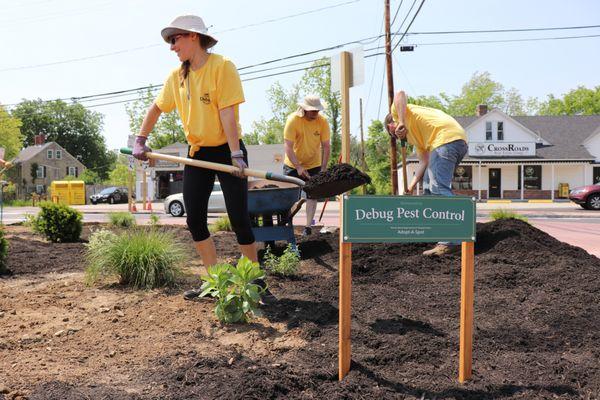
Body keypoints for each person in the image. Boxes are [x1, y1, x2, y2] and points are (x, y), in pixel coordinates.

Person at [132, 15, 260, 299]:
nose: (171, 47)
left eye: (174, 39)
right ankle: (216, 282)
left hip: (228, 149)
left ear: (193, 36)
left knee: (239, 218)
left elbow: (227, 113)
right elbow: (155, 108)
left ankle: (254, 278)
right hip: (197, 153)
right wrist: (141, 139)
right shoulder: (176, 77)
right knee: (195, 221)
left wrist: (236, 155)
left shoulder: (222, 67)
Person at [385, 90, 468, 256]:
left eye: (395, 134)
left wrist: (401, 121)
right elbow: (424, 162)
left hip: (445, 140)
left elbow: (400, 94)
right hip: (457, 142)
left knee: (439, 189)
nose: (400, 137)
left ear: (391, 126)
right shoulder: (418, 138)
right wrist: (409, 187)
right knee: (429, 188)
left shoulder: (398, 114)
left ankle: (452, 240)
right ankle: (440, 233)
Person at [283, 95, 331, 236]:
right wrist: (298, 166)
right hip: (292, 165)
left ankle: (308, 226)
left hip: (314, 165)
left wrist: (323, 169)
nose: (316, 113)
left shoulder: (322, 122)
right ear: (304, 108)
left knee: (313, 195)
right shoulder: (293, 120)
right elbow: (288, 146)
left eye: (317, 110)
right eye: (313, 110)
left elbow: (326, 146)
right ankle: (286, 224)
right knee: (288, 197)